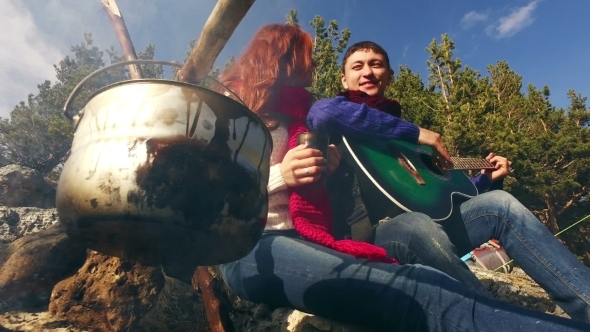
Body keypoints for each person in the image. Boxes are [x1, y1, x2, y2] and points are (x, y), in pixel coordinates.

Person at [217, 24, 590, 330]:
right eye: (357, 66)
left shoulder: (394, 131)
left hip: (400, 223)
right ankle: (492, 315)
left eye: (376, 64)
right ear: (343, 78)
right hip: (359, 231)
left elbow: (439, 194)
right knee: (416, 228)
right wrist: (418, 132)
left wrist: (487, 181)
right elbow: (329, 114)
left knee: (500, 205)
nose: (368, 72)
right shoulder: (328, 112)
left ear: (390, 74)